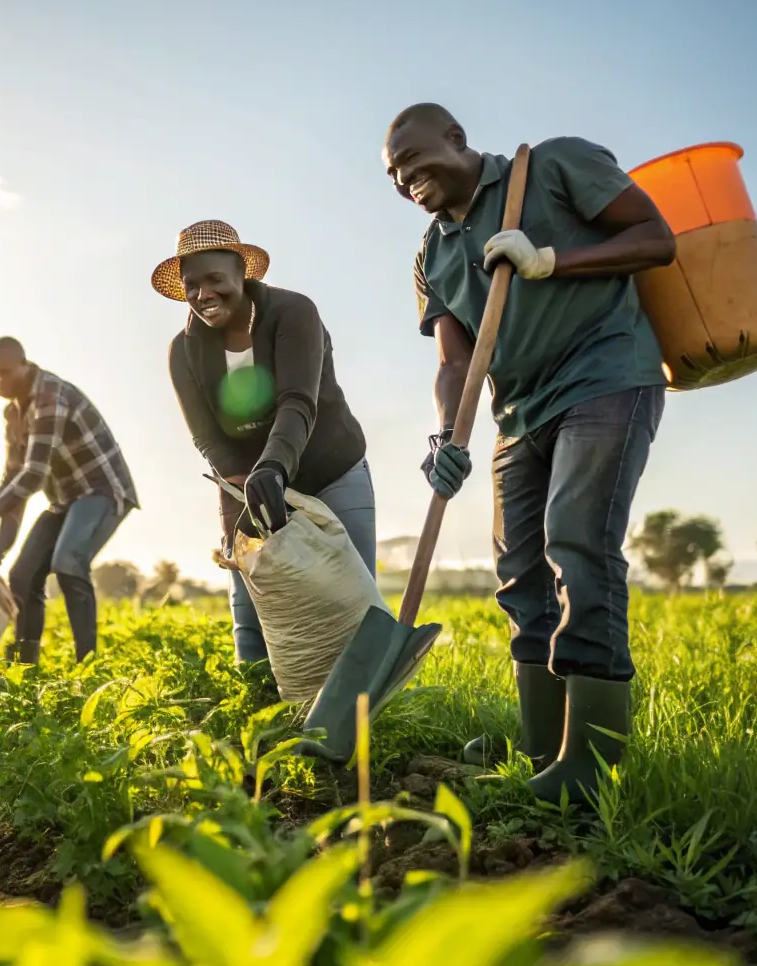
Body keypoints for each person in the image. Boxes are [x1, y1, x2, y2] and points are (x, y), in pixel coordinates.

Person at [382, 103, 677, 804]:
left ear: (456, 139)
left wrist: (550, 260)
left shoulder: (552, 166)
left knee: (577, 542)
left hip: (604, 376)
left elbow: (655, 238)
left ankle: (592, 767)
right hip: (517, 414)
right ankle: (543, 748)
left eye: (412, 159)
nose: (403, 179)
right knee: (519, 574)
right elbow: (454, 362)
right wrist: (446, 436)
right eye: (392, 174)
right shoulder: (431, 255)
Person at [155, 219, 375, 674]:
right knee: (252, 611)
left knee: (352, 601)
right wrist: (246, 490)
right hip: (244, 483)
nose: (203, 294)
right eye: (192, 285)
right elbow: (206, 436)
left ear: (242, 274)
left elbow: (297, 402)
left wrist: (273, 467)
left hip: (329, 468)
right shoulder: (183, 351)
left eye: (215, 279)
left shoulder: (293, 313)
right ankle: (262, 701)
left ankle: (362, 703)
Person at [0, 338, 138, 665]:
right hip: (65, 501)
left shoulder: (50, 397)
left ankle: (87, 664)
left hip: (103, 491)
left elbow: (33, 476)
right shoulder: (13, 414)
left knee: (68, 560)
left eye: (5, 372)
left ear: (24, 365)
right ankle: (25, 664)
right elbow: (13, 483)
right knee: (22, 575)